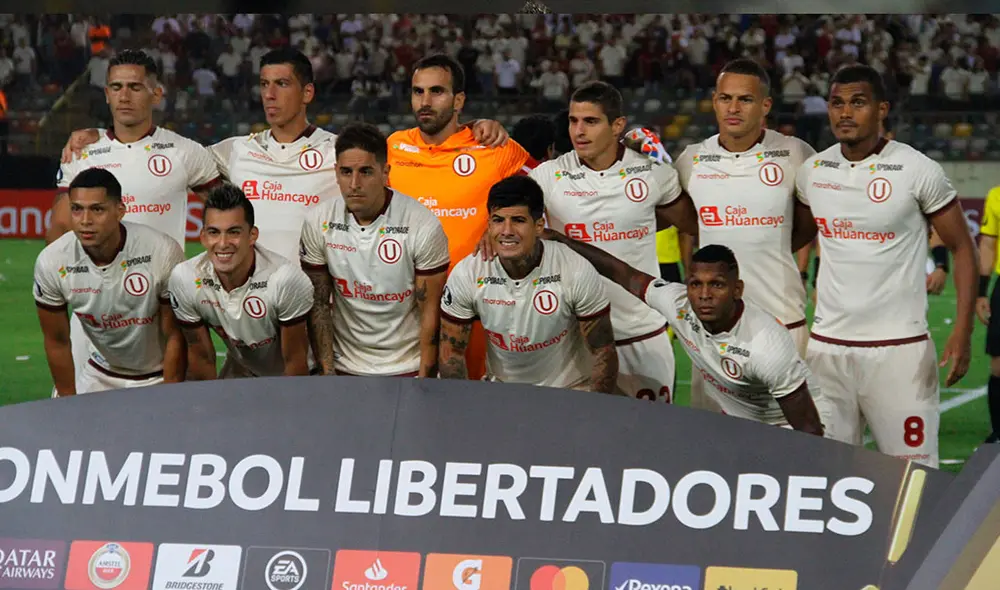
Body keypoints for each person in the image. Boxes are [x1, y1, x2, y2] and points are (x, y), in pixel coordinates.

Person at [795, 64, 977, 468]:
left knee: (911, 476)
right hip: (827, 350)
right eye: (837, 103)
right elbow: (797, 237)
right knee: (826, 475)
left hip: (899, 352)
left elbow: (963, 247)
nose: (845, 113)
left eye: (858, 103)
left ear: (882, 109)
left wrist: (962, 332)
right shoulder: (813, 173)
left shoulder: (917, 170)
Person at [48, 49, 222, 393]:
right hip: (95, 309)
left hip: (159, 311)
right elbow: (59, 226)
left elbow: (226, 213)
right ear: (106, 93)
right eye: (116, 87)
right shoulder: (83, 152)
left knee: (160, 419)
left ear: (156, 93)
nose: (124, 96)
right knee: (73, 416)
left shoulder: (183, 152)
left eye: (135, 87)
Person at [543, 230, 827, 434]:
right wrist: (564, 242)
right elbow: (624, 274)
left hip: (793, 425)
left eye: (717, 285)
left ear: (737, 290)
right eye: (695, 284)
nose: (704, 295)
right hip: (744, 423)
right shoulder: (678, 304)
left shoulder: (765, 344)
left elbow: (809, 430)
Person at [526, 81, 699, 403]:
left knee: (648, 440)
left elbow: (694, 225)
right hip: (573, 338)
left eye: (590, 121)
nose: (579, 131)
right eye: (573, 121)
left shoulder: (652, 175)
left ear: (617, 125)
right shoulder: (548, 177)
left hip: (640, 334)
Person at [674, 58, 818, 413]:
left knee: (790, 444)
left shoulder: (796, 154)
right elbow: (689, 225)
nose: (733, 108)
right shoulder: (692, 159)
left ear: (765, 105)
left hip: (782, 319)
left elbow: (806, 225)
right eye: (725, 98)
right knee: (713, 445)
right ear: (714, 100)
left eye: (745, 99)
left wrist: (773, 246)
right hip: (713, 332)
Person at [386, 53, 538, 381]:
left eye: (436, 91)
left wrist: (501, 225)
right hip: (406, 312)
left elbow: (546, 192)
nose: (424, 102)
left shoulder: (494, 148)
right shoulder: (393, 148)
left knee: (478, 409)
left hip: (479, 309)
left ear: (459, 100)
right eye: (417, 91)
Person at [439, 175, 618, 392]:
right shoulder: (468, 273)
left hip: (569, 392)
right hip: (502, 392)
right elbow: (452, 354)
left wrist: (593, 409)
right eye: (498, 220)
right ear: (488, 224)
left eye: (518, 220)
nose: (507, 231)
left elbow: (603, 350)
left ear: (539, 225)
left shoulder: (574, 269)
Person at [299, 123, 450, 377]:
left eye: (365, 172)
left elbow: (431, 314)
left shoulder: (421, 224)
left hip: (408, 368)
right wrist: (328, 374)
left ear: (385, 173)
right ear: (336, 172)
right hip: (345, 367)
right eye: (346, 172)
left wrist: (425, 379)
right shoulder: (319, 221)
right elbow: (319, 305)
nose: (354, 183)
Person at [33, 168, 186, 395]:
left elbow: (175, 334)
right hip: (100, 374)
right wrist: (67, 401)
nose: (85, 220)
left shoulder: (160, 250)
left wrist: (170, 395)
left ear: (119, 211)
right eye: (77, 209)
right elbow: (57, 341)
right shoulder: (52, 261)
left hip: (159, 377)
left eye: (97, 209)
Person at [167, 183, 314, 379]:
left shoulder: (284, 280)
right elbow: (202, 357)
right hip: (243, 372)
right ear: (202, 237)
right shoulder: (185, 278)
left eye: (234, 232)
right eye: (214, 232)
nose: (223, 243)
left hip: (299, 377)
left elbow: (295, 363)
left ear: (252, 235)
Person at [976, 183, 1000, 443]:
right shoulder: (996, 195)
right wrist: (981, 291)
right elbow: (988, 245)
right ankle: (998, 434)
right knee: (998, 365)